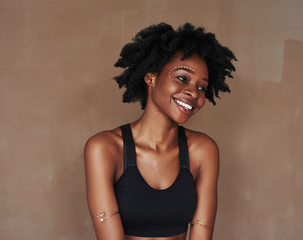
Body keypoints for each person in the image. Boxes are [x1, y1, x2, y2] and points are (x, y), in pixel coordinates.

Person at [84, 22, 236, 240]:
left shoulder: (203, 150)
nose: (193, 93)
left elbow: (202, 231)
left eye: (201, 87)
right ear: (151, 77)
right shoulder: (104, 148)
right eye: (183, 78)